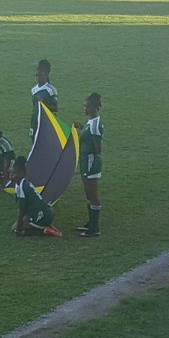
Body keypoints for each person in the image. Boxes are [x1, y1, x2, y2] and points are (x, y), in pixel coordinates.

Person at [9, 156, 61, 238]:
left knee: (17, 229)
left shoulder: (23, 187)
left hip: (43, 215)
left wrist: (18, 228)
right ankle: (44, 226)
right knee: (16, 226)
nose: (11, 176)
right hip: (40, 212)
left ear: (22, 173)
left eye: (14, 173)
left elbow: (22, 210)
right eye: (10, 173)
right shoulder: (19, 185)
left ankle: (45, 231)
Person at [77, 92, 103, 237]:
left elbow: (98, 148)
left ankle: (95, 228)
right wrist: (81, 128)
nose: (85, 109)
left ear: (95, 107)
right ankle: (91, 223)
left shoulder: (95, 124)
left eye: (87, 107)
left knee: (93, 193)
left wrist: (86, 149)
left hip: (91, 163)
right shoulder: (90, 122)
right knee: (88, 193)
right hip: (86, 162)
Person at [30, 60, 59, 152]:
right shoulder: (34, 89)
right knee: (35, 145)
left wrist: (44, 104)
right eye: (37, 75)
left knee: (45, 147)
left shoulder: (51, 90)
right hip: (35, 121)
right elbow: (35, 106)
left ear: (46, 75)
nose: (38, 78)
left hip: (46, 122)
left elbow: (55, 108)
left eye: (40, 76)